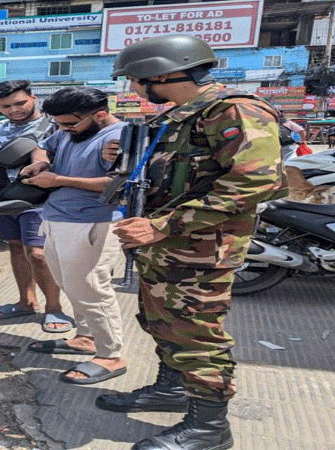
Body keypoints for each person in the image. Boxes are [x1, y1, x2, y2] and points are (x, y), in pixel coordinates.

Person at [103, 35, 286, 450]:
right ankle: (171, 390)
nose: (134, 88)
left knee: (197, 335)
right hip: (165, 246)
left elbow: (257, 180)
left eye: (136, 79)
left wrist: (165, 225)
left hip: (198, 247)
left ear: (165, 72)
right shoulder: (179, 116)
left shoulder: (234, 109)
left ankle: (209, 428)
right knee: (161, 322)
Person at [19, 87, 128, 385]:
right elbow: (45, 146)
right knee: (70, 283)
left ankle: (111, 354)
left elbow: (118, 184)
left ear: (100, 114)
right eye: (59, 124)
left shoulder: (119, 138)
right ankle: (86, 337)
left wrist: (59, 180)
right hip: (57, 217)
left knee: (92, 288)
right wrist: (41, 161)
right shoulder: (69, 130)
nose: (63, 129)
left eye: (69, 124)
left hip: (92, 221)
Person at [0, 80, 68, 333]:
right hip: (1, 197)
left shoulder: (56, 125)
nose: (14, 110)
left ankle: (54, 308)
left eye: (20, 103)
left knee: (38, 253)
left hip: (40, 199)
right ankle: (26, 301)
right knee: (15, 248)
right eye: (6, 106)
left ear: (33, 97)